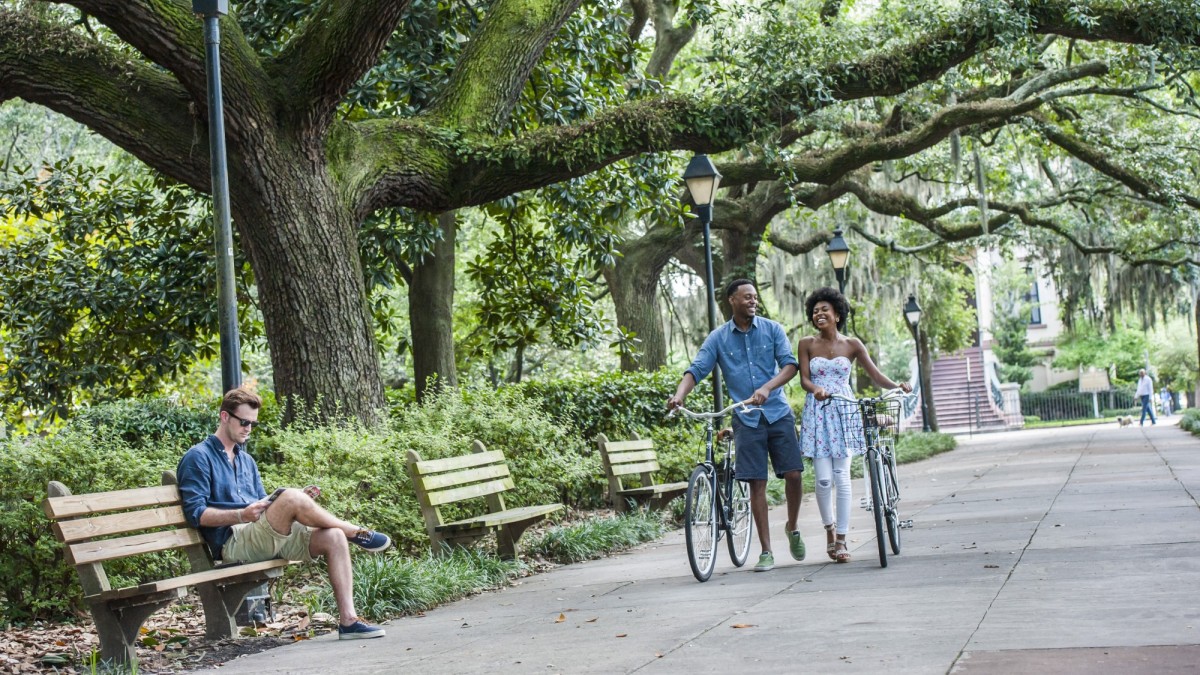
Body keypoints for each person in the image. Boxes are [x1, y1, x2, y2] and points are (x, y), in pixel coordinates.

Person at [177, 387, 393, 640]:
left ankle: (349, 621)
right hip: (232, 542)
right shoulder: (198, 457)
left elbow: (261, 504)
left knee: (333, 536)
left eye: (253, 424)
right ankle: (355, 532)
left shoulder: (246, 461)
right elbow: (196, 513)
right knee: (292, 499)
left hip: (260, 534)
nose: (248, 428)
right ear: (225, 417)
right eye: (244, 422)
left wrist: (292, 502)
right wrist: (241, 515)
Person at [668, 278, 806, 573]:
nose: (753, 301)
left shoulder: (772, 329)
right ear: (732, 300)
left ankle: (792, 526)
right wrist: (679, 396)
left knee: (794, 474)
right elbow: (697, 368)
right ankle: (766, 551)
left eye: (755, 297)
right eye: (746, 297)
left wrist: (768, 388)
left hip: (778, 412)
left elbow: (790, 365)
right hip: (746, 418)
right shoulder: (718, 338)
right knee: (757, 482)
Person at [796, 287, 912, 564]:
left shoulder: (853, 345)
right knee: (823, 479)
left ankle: (842, 539)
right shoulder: (806, 343)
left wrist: (897, 385)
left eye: (824, 309)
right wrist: (816, 390)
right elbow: (803, 379)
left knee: (843, 476)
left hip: (845, 411)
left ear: (837, 313)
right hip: (819, 412)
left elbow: (876, 375)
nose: (818, 314)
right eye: (814, 311)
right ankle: (829, 530)